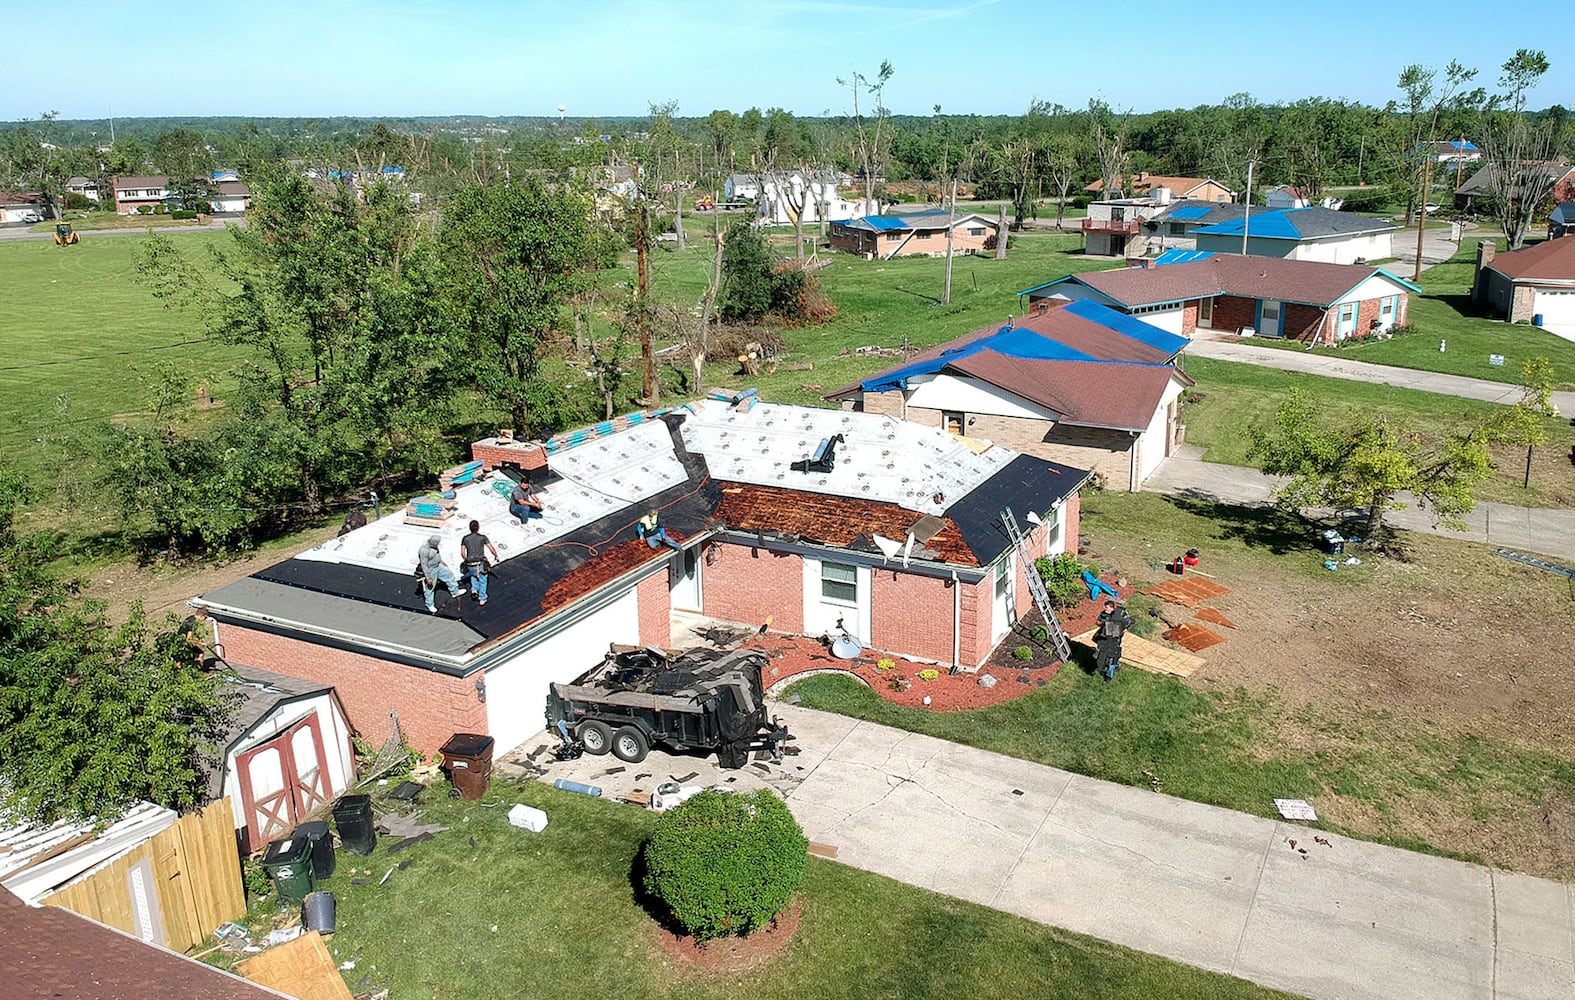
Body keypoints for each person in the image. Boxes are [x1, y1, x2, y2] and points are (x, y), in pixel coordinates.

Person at [415, 534, 466, 613]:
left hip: (438, 565)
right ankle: (429, 604)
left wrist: (441, 561)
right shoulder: (424, 550)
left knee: (449, 575)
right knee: (430, 586)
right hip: (431, 569)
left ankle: (455, 592)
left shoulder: (434, 545)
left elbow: (437, 553)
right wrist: (428, 577)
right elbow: (424, 565)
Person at [460, 519, 499, 607]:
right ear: (478, 528)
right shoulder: (483, 537)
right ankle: (482, 598)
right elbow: (491, 548)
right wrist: (496, 556)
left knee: (473, 575)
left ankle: (474, 589)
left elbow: (462, 552)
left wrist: (466, 559)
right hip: (480, 562)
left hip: (470, 563)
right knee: (483, 580)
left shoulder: (465, 538)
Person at [1094, 599, 1134, 683]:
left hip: (1115, 639)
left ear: (1113, 608)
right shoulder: (1104, 613)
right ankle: (1116, 664)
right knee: (1104, 653)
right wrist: (1102, 623)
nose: (1106, 610)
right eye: (1105, 608)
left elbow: (1130, 621)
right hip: (1105, 638)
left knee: (1113, 656)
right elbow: (1098, 621)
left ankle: (1109, 676)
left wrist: (1125, 628)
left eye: (1108, 608)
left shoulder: (1120, 613)